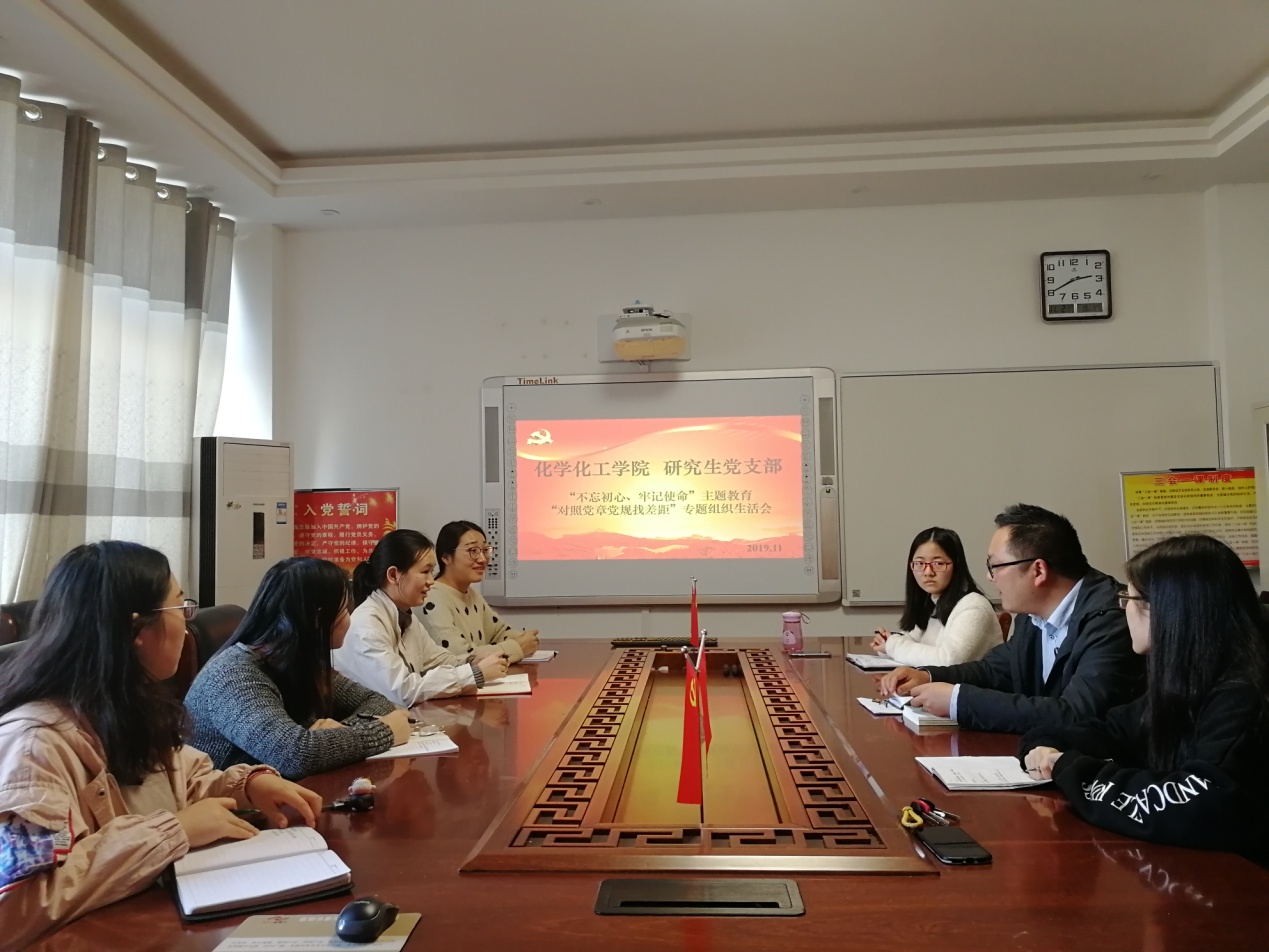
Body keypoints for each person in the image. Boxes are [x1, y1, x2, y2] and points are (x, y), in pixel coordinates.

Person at [0, 542, 322, 947]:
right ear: (137, 630)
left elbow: (183, 784)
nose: (187, 626)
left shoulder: (128, 705)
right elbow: (17, 905)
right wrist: (174, 832)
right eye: (180, 608)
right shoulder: (33, 746)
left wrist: (246, 784)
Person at [1020, 535, 1269, 863]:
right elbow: (1114, 729)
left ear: (1169, 609)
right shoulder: (1189, 677)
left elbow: (1201, 802)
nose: (1124, 609)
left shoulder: (1242, 693)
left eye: (1129, 598)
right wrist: (1047, 743)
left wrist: (1072, 769)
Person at [878, 503, 1143, 733]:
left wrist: (959, 701)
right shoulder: (1032, 613)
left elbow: (1076, 714)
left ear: (1038, 570)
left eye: (995, 566)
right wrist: (928, 676)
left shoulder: (1112, 620)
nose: (989, 577)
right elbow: (994, 670)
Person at [185, 557, 411, 780]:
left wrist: (341, 731)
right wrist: (384, 732)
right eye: (344, 610)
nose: (349, 619)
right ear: (319, 618)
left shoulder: (298, 661)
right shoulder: (234, 675)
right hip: (231, 801)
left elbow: (375, 701)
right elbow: (295, 757)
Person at [333, 529, 509, 706]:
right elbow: (403, 691)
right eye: (425, 571)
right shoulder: (368, 625)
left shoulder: (405, 616)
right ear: (393, 575)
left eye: (432, 571)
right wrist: (475, 674)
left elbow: (435, 659)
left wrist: (471, 662)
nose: (431, 581)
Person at [870, 527, 1002, 666]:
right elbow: (912, 642)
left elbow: (949, 660)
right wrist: (888, 643)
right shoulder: (931, 602)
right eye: (920, 563)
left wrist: (894, 645)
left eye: (938, 563)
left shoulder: (974, 606)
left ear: (957, 565)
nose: (928, 572)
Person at [421, 521, 539, 664]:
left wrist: (525, 640)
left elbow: (498, 632)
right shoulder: (431, 597)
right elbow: (459, 655)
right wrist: (517, 647)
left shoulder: (470, 593)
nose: (483, 559)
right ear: (446, 557)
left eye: (485, 550)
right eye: (473, 551)